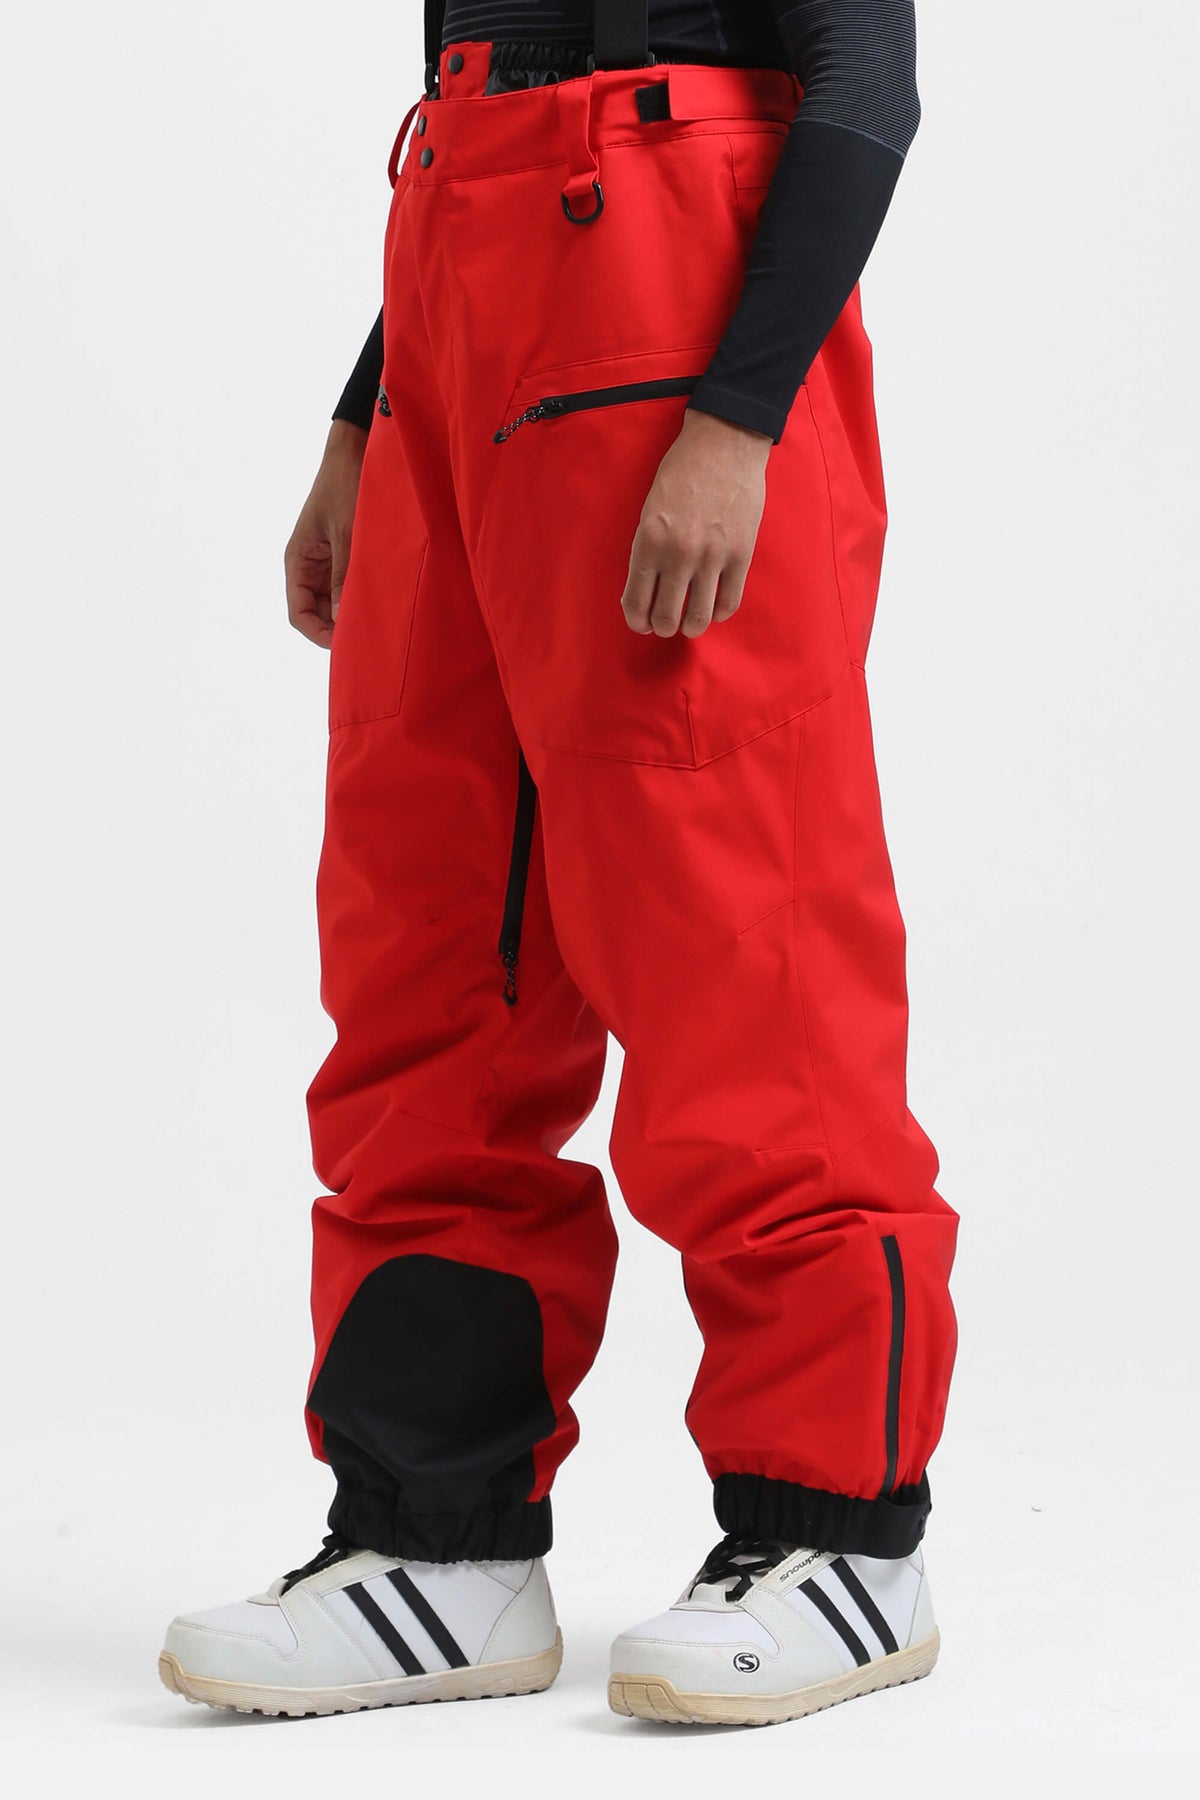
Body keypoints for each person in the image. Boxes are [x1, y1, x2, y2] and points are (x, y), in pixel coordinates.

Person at [159, 0, 959, 1728]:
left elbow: (865, 73)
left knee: (740, 949)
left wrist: (741, 417)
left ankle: (839, 1538)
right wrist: (367, 415)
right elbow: (493, 90)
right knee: (432, 957)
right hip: (456, 312)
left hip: (681, 321)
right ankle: (439, 1543)